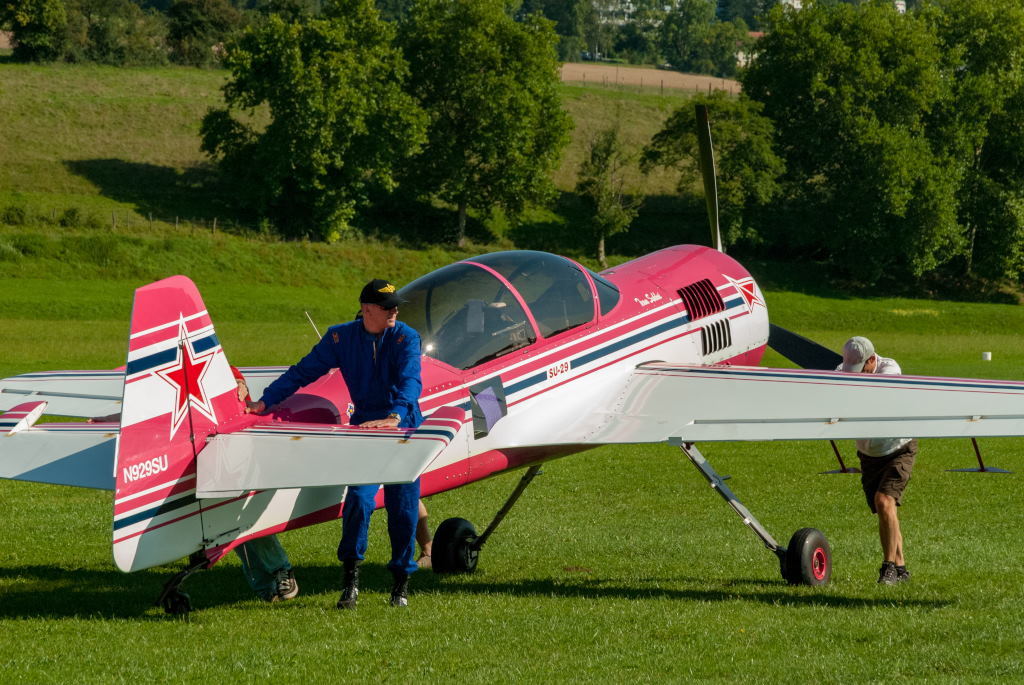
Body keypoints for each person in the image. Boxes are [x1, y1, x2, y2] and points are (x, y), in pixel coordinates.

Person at [247, 279, 423, 608]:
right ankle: (351, 581)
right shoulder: (341, 337)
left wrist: (396, 416)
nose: (395, 311)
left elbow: (411, 381)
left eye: (396, 306)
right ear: (367, 309)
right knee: (359, 500)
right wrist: (266, 400)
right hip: (365, 429)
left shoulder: (406, 337)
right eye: (387, 307)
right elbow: (302, 372)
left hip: (403, 430)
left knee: (403, 508)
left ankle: (400, 584)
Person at [91, 367, 298, 603]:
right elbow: (148, 410)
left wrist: (238, 382)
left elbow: (229, 377)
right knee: (226, 519)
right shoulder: (163, 377)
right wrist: (113, 420)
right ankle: (267, 585)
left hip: (226, 446)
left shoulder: (204, 370)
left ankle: (279, 571)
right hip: (188, 452)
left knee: (236, 511)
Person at [839, 336, 917, 585]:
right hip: (869, 454)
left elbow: (875, 395)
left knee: (884, 502)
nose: (855, 376)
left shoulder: (890, 369)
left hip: (898, 448)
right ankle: (902, 569)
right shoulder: (844, 372)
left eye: (860, 369)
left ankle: (888, 568)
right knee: (886, 511)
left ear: (872, 360)